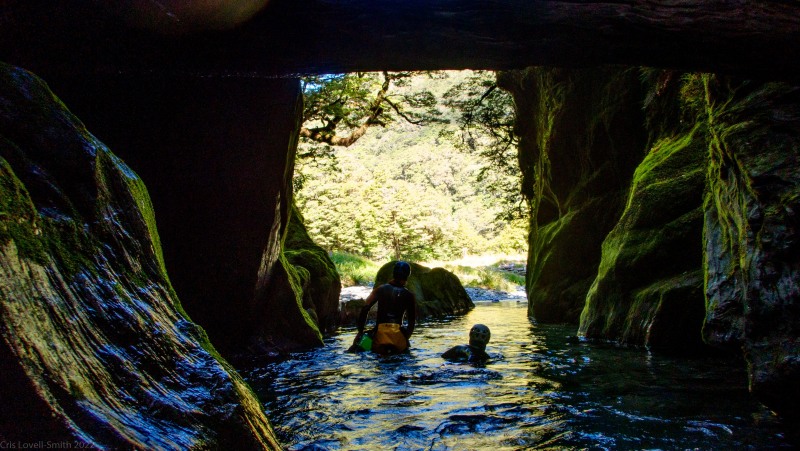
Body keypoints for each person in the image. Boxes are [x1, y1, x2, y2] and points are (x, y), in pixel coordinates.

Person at [352, 261, 417, 354]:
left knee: (355, 351)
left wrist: (360, 332)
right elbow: (412, 322)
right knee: (406, 352)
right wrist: (405, 337)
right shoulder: (409, 295)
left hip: (378, 334)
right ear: (407, 276)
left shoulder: (380, 289)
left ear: (393, 274)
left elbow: (365, 308)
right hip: (398, 337)